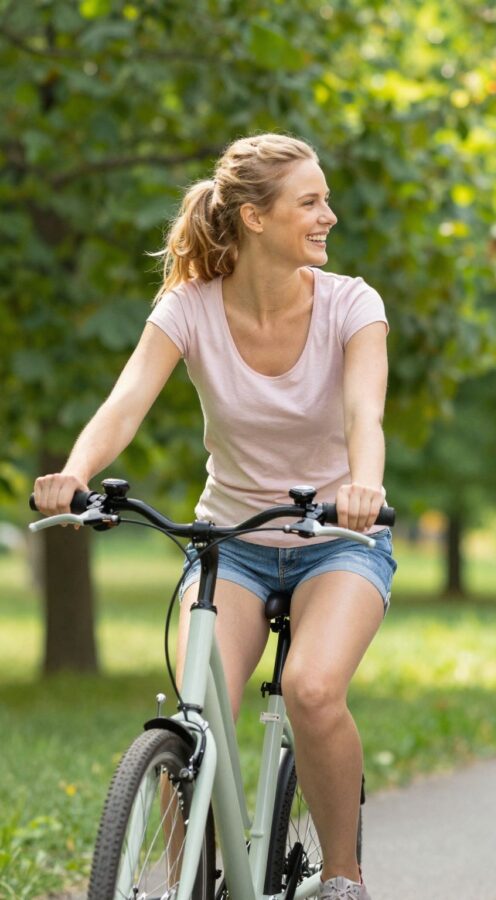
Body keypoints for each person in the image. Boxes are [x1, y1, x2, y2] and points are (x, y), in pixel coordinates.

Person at [32, 134, 392, 900]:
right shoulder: (189, 307)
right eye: (311, 202)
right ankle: (184, 879)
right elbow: (127, 399)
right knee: (195, 716)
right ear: (256, 219)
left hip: (338, 538)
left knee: (314, 688)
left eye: (325, 199)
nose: (330, 214)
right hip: (232, 544)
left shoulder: (352, 305)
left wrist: (366, 485)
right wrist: (75, 472)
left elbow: (366, 412)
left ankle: (343, 875)